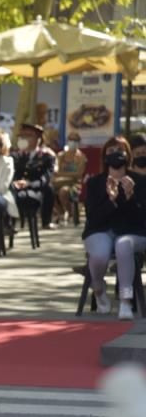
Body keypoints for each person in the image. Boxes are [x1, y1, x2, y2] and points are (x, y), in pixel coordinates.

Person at [82, 136, 146, 320]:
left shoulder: (139, 181)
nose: (115, 155)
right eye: (110, 151)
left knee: (123, 244)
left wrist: (129, 196)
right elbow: (93, 218)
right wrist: (110, 200)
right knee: (100, 254)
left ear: (128, 155)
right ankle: (99, 289)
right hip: (100, 230)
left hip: (132, 232)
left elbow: (140, 219)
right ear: (104, 157)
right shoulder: (95, 183)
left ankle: (126, 301)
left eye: (120, 151)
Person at [11, 123, 56, 230]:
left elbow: (47, 176)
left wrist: (30, 183)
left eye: (28, 136)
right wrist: (15, 182)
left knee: (49, 189)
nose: (23, 139)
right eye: (22, 136)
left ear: (38, 139)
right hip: (17, 188)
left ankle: (46, 221)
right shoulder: (15, 155)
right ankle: (8, 225)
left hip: (37, 189)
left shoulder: (47, 156)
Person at [53, 131, 87, 225]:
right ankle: (61, 212)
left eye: (75, 140)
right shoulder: (61, 156)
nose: (73, 142)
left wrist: (62, 174)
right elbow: (55, 171)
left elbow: (79, 174)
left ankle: (69, 212)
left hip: (74, 184)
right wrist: (69, 174)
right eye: (71, 140)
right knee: (48, 191)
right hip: (58, 182)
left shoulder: (81, 157)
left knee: (64, 191)